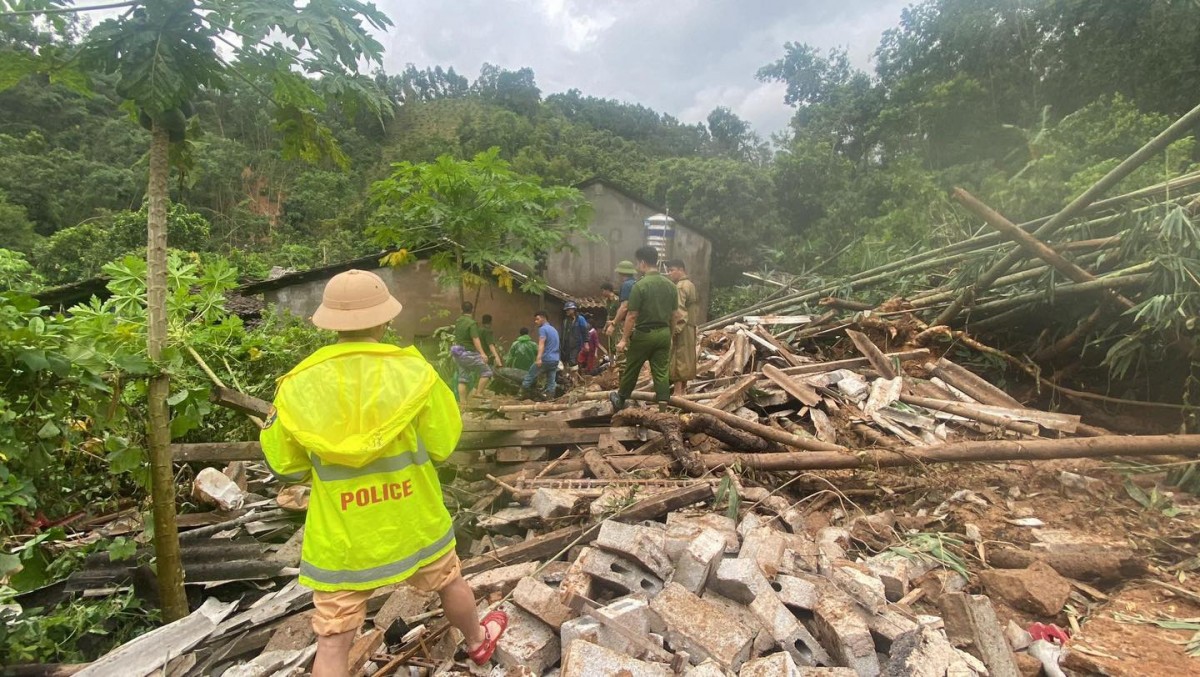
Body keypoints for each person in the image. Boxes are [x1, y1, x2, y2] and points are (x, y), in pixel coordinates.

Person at [260, 269, 507, 677]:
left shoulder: (295, 386)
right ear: (385, 320)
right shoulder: (415, 373)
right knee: (450, 581)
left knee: (334, 638)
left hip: (343, 538)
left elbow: (285, 466)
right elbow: (444, 444)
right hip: (414, 521)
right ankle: (479, 643)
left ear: (329, 323)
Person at [612, 247, 680, 410]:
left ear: (642, 262)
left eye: (637, 263)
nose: (637, 266)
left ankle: (620, 399)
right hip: (663, 333)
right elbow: (674, 315)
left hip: (644, 334)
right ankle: (663, 407)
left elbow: (632, 315)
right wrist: (669, 335)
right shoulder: (670, 286)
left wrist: (623, 339)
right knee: (661, 371)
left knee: (632, 367)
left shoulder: (640, 285)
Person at [666, 259, 701, 396]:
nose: (669, 273)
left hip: (682, 326)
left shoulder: (680, 287)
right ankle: (684, 389)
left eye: (671, 270)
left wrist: (674, 330)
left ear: (681, 269)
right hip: (690, 326)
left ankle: (677, 391)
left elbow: (679, 312)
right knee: (687, 358)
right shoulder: (690, 285)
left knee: (678, 357)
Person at [450, 302, 492, 407]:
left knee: (462, 378)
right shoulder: (471, 323)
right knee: (487, 372)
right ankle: (478, 393)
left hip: (459, 353)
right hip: (469, 354)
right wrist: (482, 354)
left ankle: (463, 403)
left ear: (461, 310)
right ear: (472, 310)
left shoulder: (458, 321)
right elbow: (475, 339)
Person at [521, 310, 560, 400]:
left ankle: (522, 394)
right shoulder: (553, 329)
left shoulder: (542, 329)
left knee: (530, 375)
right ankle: (550, 397)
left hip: (546, 358)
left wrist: (538, 358)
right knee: (551, 380)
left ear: (543, 318)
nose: (536, 322)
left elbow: (541, 344)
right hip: (555, 359)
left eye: (537, 319)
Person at [604, 260, 637, 340]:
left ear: (621, 273)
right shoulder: (637, 283)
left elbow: (624, 307)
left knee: (621, 349)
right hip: (637, 324)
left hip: (626, 324)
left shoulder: (626, 285)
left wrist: (614, 323)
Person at [560, 301, 590, 368]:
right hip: (566, 345)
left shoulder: (580, 319)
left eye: (568, 309)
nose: (566, 311)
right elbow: (563, 333)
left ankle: (575, 377)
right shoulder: (565, 321)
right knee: (566, 361)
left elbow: (585, 331)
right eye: (566, 310)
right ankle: (570, 376)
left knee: (573, 361)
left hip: (577, 345)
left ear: (573, 310)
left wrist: (586, 343)